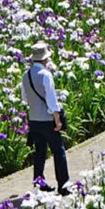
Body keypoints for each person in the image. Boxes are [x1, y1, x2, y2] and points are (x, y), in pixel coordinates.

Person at [23, 42, 69, 195]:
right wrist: (57, 120)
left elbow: (25, 98)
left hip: (34, 119)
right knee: (59, 151)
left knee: (39, 152)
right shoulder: (45, 74)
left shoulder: (26, 75)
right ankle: (63, 185)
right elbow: (51, 101)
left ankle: (40, 182)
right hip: (47, 120)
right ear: (45, 59)